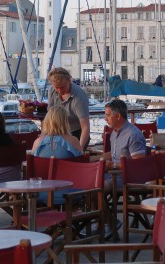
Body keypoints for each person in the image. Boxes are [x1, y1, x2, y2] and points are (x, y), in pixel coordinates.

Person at [99, 99, 146, 238]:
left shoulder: (133, 134)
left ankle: (109, 224)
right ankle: (105, 222)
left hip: (129, 177)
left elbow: (139, 164)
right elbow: (114, 155)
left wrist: (112, 165)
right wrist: (94, 158)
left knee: (96, 187)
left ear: (118, 116)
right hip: (114, 173)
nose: (105, 118)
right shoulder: (115, 132)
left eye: (107, 115)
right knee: (89, 183)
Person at [48, 67, 90, 150]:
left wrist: (80, 149)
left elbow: (85, 127)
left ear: (69, 81)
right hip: (58, 132)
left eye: (62, 87)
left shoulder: (79, 97)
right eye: (57, 87)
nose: (59, 91)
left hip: (76, 133)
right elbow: (50, 114)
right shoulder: (51, 90)